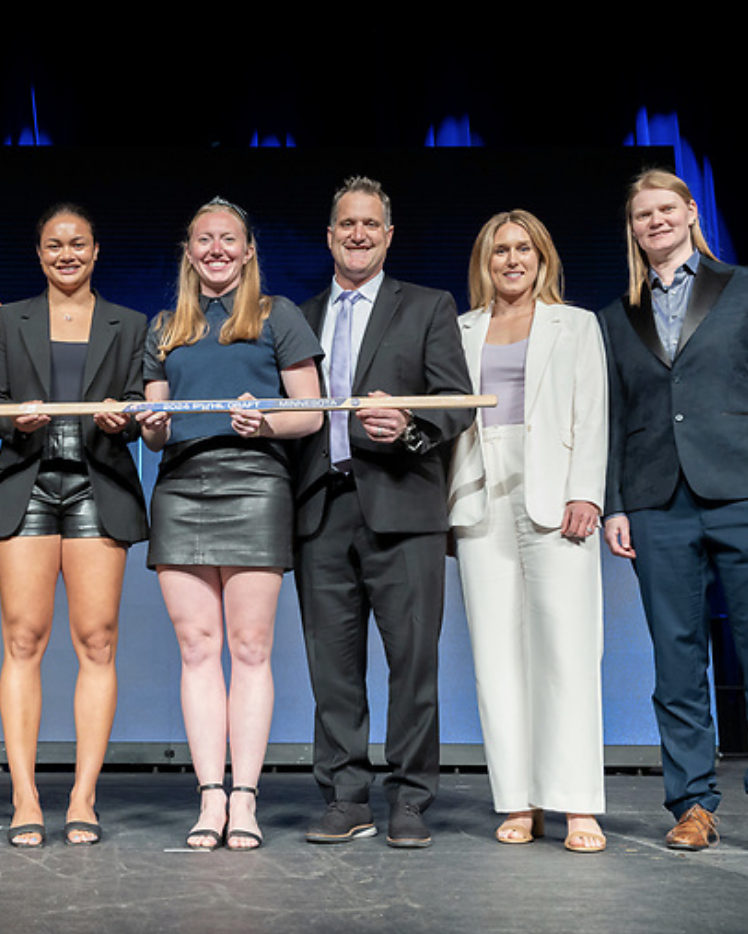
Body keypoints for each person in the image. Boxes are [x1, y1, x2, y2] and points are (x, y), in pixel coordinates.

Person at [599, 169, 748, 858]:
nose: (655, 221)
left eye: (667, 209)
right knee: (676, 664)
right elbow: (611, 416)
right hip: (658, 500)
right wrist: (614, 504)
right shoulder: (616, 315)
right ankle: (692, 803)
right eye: (643, 214)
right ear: (632, 228)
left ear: (690, 213)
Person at [293, 176, 474, 848]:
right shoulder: (300, 315)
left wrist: (412, 423)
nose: (358, 234)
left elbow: (456, 400)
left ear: (388, 235)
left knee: (412, 664)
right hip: (321, 507)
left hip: (404, 506)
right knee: (332, 669)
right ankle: (346, 795)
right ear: (331, 234)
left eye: (370, 224)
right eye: (346, 224)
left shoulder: (427, 307)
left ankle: (410, 798)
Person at [137, 198, 322, 851]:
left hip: (256, 486)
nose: (216, 249)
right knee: (196, 648)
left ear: (248, 250)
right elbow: (156, 432)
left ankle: (245, 799)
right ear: (189, 251)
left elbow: (313, 413)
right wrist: (152, 425)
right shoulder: (165, 326)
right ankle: (209, 798)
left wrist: (266, 420)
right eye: (204, 240)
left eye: (229, 239)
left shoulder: (279, 317)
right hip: (182, 487)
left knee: (249, 648)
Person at [0, 205, 147, 847]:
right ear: (40, 252)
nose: (67, 253)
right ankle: (24, 796)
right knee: (23, 639)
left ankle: (83, 796)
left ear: (97, 251)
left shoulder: (129, 324)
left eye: (78, 243)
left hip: (94, 483)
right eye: (55, 244)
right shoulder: (10, 319)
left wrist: (124, 418)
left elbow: (142, 402)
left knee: (97, 641)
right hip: (29, 482)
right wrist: (12, 419)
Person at [446, 210, 608, 853]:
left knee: (566, 650)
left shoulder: (577, 324)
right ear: (484, 263)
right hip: (480, 489)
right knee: (496, 656)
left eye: (523, 249)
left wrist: (584, 490)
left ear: (542, 257)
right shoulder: (462, 329)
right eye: (498, 251)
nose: (512, 261)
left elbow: (592, 408)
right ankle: (519, 799)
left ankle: (576, 805)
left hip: (554, 486)